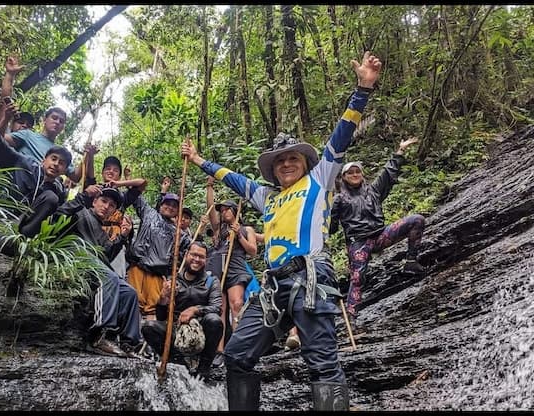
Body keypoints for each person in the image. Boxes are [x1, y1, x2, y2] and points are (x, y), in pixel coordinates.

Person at [181, 51, 382, 411]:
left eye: (293, 158)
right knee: (238, 354)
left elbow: (340, 138)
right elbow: (234, 179)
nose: (286, 163)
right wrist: (198, 161)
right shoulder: (267, 197)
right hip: (274, 285)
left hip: (311, 276)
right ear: (273, 170)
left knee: (322, 362)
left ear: (305, 163)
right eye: (280, 161)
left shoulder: (320, 181)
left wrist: (363, 88)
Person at [0, 79, 71, 239]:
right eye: (54, 159)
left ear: (65, 170)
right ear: (44, 160)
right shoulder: (24, 163)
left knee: (51, 198)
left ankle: (19, 241)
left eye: (61, 163)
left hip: (15, 232)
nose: (56, 164)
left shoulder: (55, 193)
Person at [330, 137, 425, 327]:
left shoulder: (373, 191)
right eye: (351, 172)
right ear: (344, 177)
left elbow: (388, 173)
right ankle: (350, 315)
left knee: (417, 220)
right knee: (357, 277)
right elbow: (331, 227)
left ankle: (411, 262)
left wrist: (400, 151)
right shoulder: (339, 199)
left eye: (358, 171)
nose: (355, 174)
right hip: (359, 242)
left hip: (380, 235)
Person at [56, 184, 142, 358]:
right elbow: (59, 215)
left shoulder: (101, 229)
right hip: (77, 256)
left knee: (130, 292)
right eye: (103, 201)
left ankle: (128, 343)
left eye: (111, 205)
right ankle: (100, 334)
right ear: (94, 201)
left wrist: (123, 236)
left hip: (96, 263)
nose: (106, 207)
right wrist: (82, 197)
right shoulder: (81, 212)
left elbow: (107, 254)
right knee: (108, 277)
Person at [141, 241, 223, 379]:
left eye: (201, 257)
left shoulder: (211, 281)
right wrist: (163, 299)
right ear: (186, 255)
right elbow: (161, 317)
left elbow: (217, 308)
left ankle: (204, 366)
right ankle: (178, 362)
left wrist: (195, 310)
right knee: (149, 327)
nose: (197, 259)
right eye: (194, 255)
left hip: (201, 328)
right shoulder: (173, 279)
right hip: (177, 330)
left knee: (215, 320)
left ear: (206, 260)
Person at [205, 176, 257, 368]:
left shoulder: (246, 229)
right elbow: (211, 210)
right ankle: (219, 350)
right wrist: (209, 187)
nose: (224, 212)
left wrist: (239, 235)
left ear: (235, 211)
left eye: (227, 209)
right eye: (223, 210)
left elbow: (252, 251)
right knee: (220, 308)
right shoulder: (219, 231)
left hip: (235, 265)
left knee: (237, 304)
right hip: (218, 266)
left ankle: (238, 345)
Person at [127, 192, 191, 320]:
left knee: (153, 307)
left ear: (177, 211)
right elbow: (136, 194)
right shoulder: (149, 213)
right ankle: (128, 337)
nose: (170, 207)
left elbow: (182, 258)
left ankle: (149, 336)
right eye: (167, 203)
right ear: (161, 205)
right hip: (137, 268)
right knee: (132, 302)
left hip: (157, 274)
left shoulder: (180, 234)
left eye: (174, 206)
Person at [83, 151, 147, 278]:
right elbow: (89, 176)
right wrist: (90, 155)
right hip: (93, 239)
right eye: (107, 168)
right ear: (102, 172)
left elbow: (143, 183)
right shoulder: (94, 190)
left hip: (115, 243)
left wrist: (119, 183)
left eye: (116, 170)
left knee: (115, 278)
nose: (111, 171)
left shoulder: (122, 197)